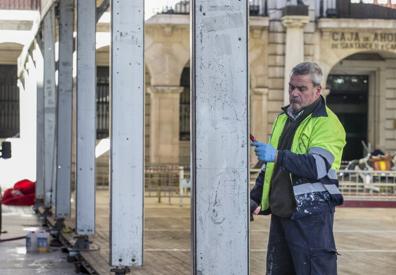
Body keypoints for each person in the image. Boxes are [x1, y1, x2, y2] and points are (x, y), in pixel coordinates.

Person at [250, 62, 346, 275]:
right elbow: (272, 168)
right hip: (282, 215)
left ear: (318, 90)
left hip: (310, 217)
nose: (294, 93)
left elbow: (317, 166)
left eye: (301, 88)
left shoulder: (327, 123)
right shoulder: (284, 118)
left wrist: (276, 154)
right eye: (291, 87)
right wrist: (255, 198)